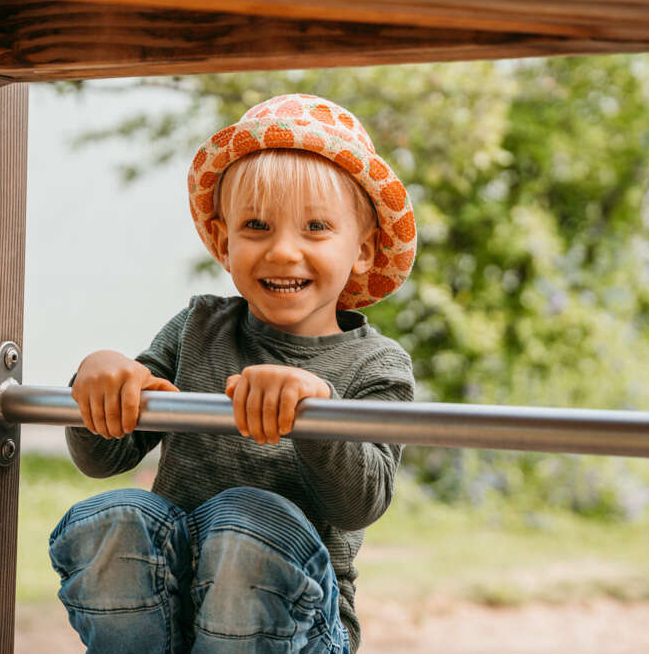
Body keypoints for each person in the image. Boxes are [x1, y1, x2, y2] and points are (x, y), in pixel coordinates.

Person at [49, 93, 418, 653]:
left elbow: (361, 502)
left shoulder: (377, 365)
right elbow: (103, 459)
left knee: (245, 518)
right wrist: (98, 380)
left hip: (300, 629)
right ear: (225, 243)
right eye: (257, 226)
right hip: (174, 616)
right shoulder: (199, 327)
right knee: (117, 515)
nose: (283, 251)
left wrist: (313, 412)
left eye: (316, 227)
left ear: (362, 249)